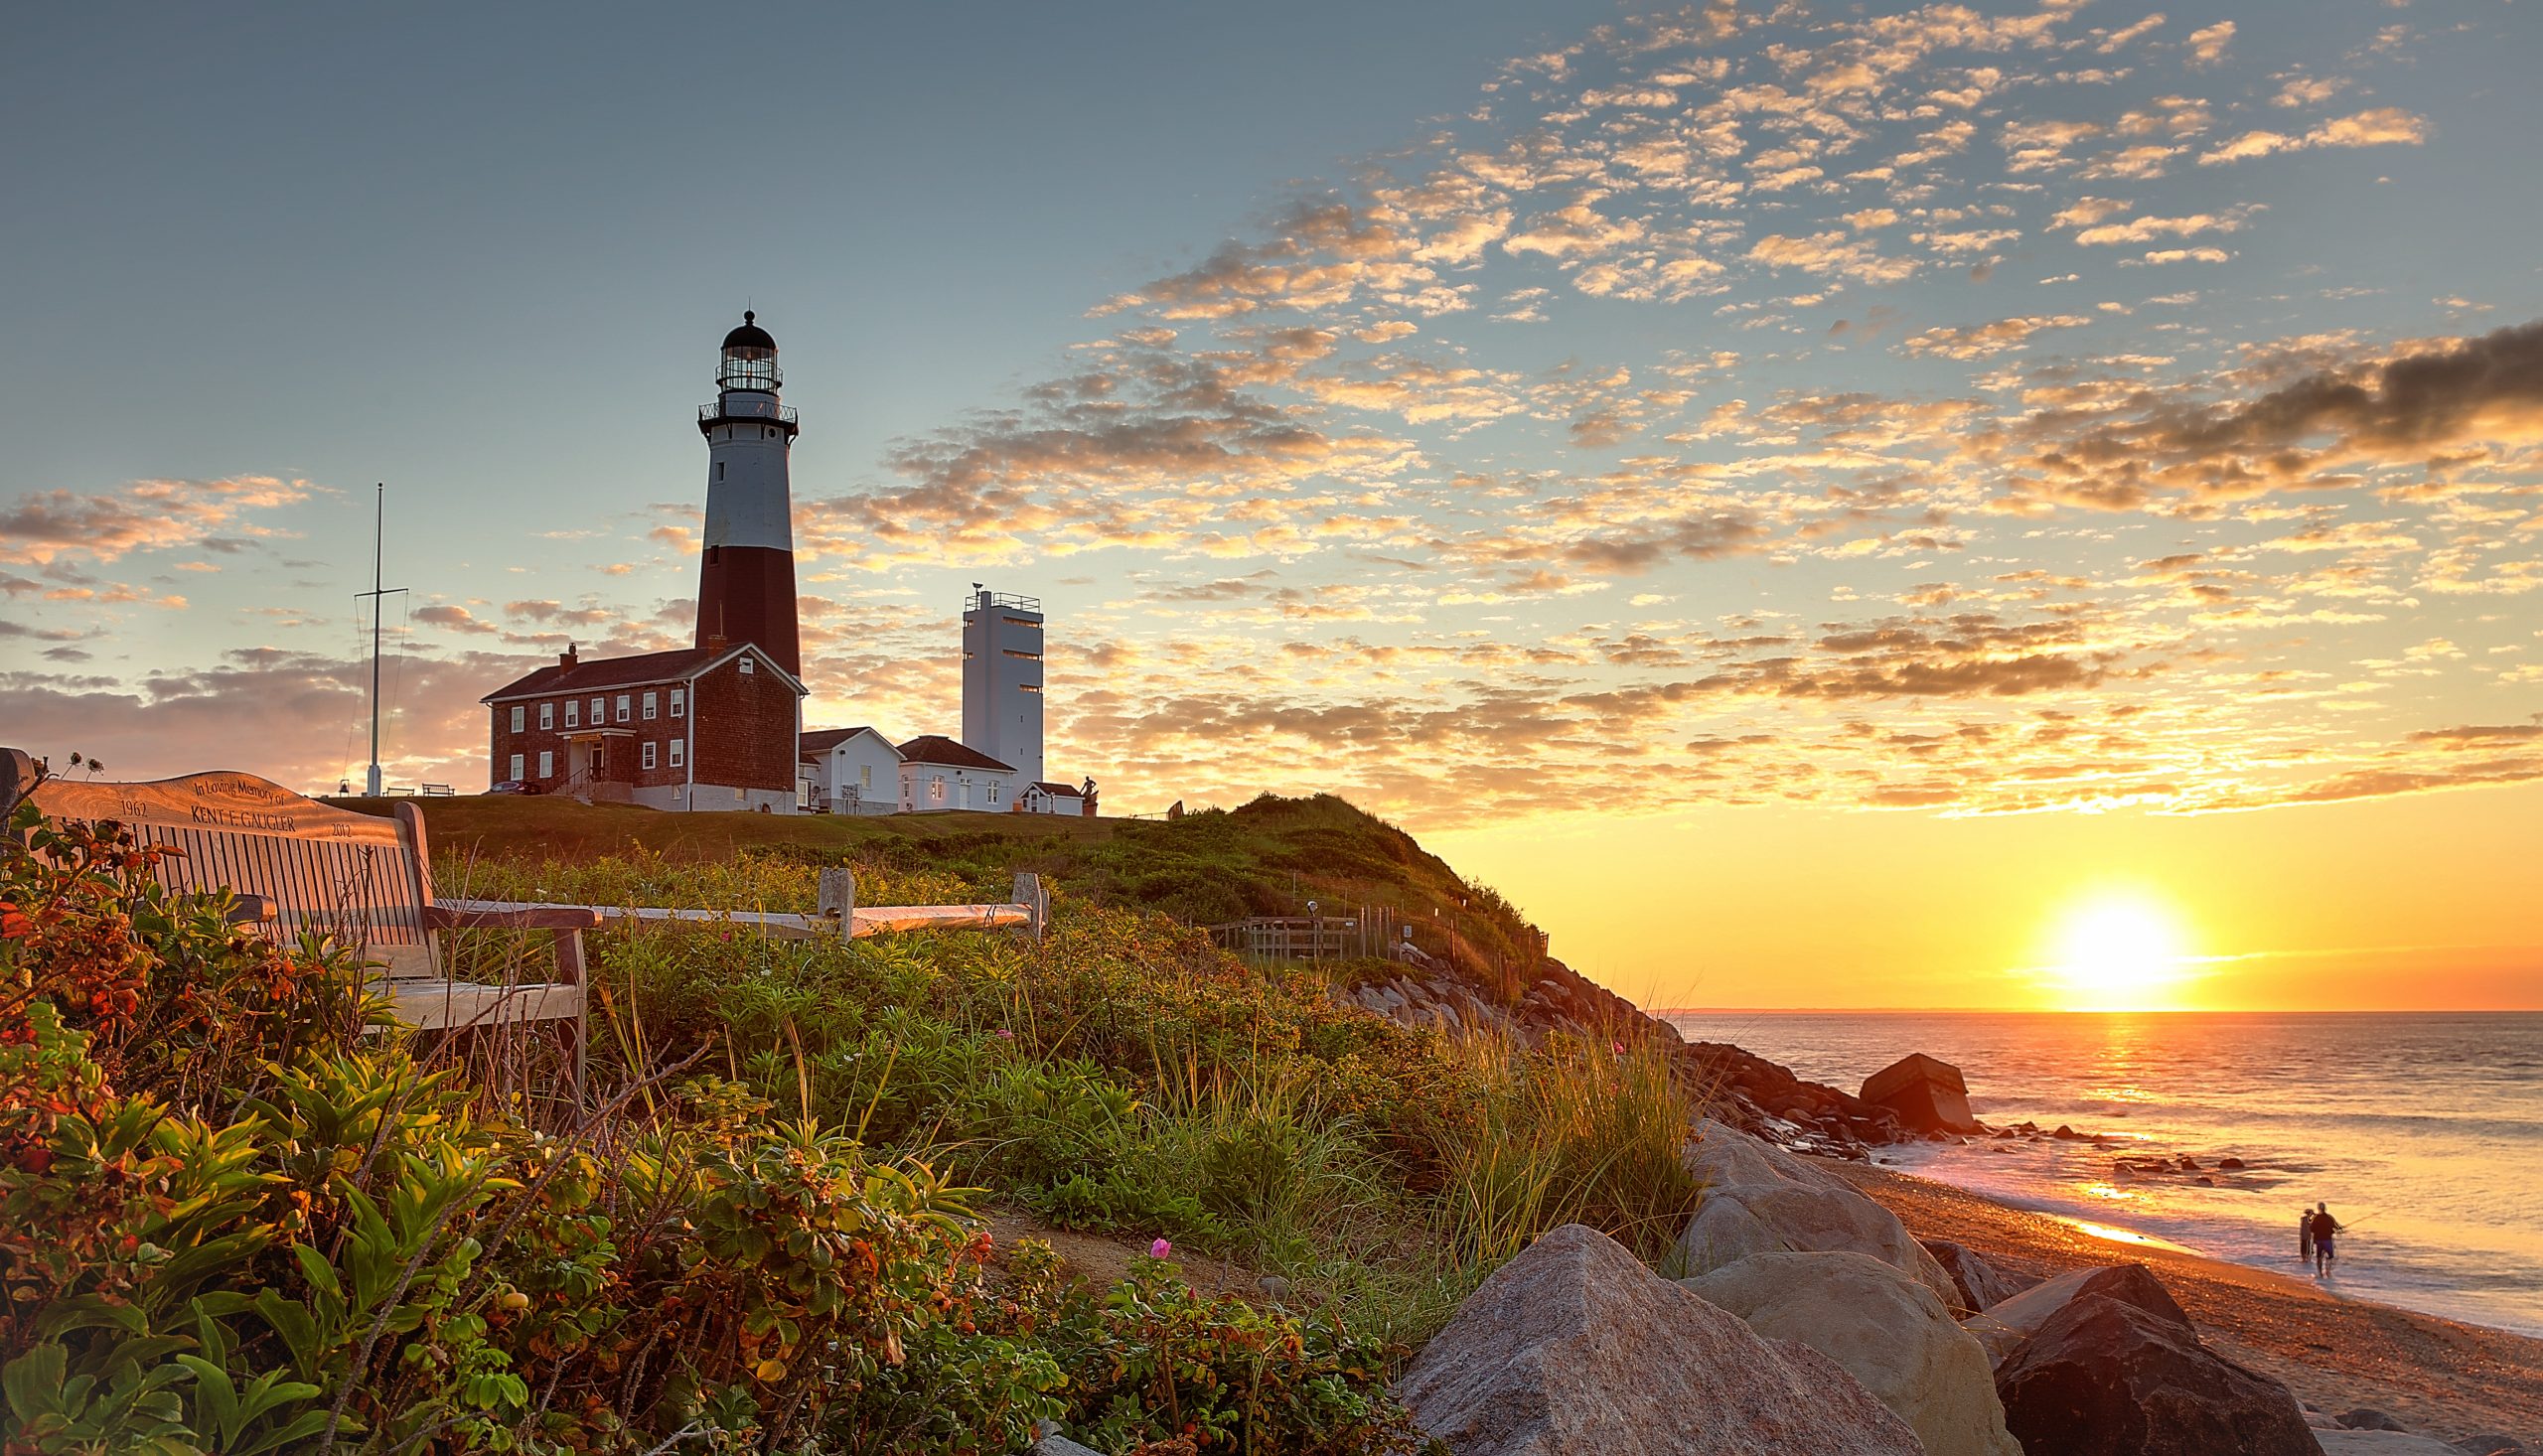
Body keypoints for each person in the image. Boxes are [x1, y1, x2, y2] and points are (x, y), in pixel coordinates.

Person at [2309, 1203, 2343, 1275]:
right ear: (2325, 1208)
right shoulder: (2329, 1217)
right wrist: (2340, 1228)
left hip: (2319, 1241)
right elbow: (2336, 1226)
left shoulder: (2316, 1218)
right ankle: (2328, 1271)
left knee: (2319, 1257)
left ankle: (2320, 1273)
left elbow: (2312, 1229)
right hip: (2327, 1240)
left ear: (2318, 1208)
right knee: (2330, 1256)